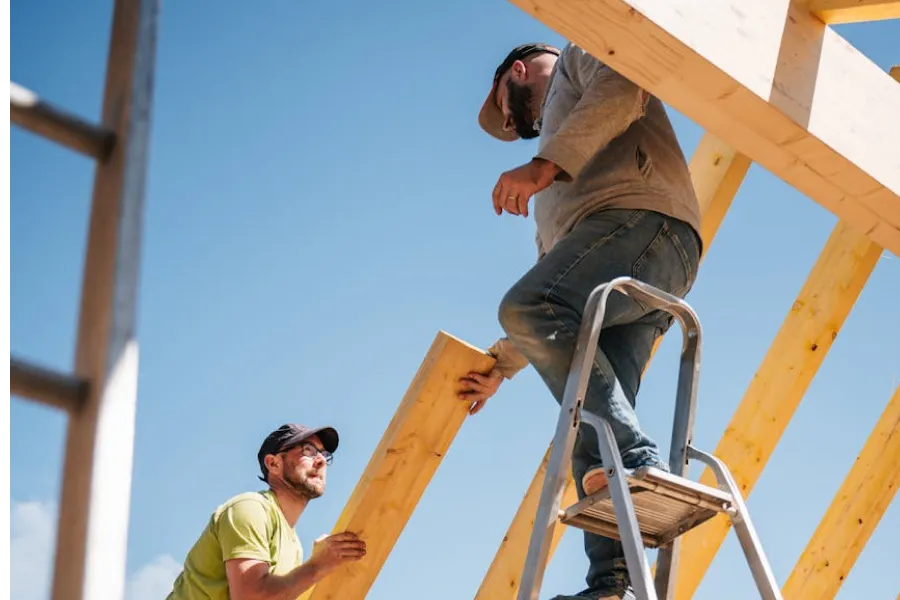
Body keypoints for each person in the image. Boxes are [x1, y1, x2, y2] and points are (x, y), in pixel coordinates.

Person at [458, 42, 703, 600]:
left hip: (642, 225)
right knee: (587, 418)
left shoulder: (582, 51)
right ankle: (613, 584)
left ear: (516, 72)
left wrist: (543, 166)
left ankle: (637, 457)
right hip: (623, 260)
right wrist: (502, 366)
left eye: (504, 110)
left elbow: (623, 85)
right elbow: (552, 288)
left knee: (527, 309)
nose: (512, 126)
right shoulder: (558, 167)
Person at [166, 423, 366, 600]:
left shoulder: (294, 546)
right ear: (274, 463)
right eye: (308, 450)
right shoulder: (250, 508)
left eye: (324, 455)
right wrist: (319, 565)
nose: (321, 461)